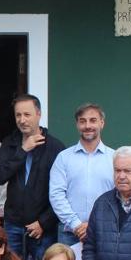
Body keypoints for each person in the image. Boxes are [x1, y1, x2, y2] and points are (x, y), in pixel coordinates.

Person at [0, 94, 65, 260]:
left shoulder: (55, 147)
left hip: (43, 228)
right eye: (18, 115)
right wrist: (23, 150)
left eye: (27, 114)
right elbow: (0, 176)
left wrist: (43, 222)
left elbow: (62, 191)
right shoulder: (10, 143)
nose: (22, 120)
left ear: (38, 114)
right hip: (13, 224)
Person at [48, 102, 114, 245]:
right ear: (77, 125)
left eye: (93, 120)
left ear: (102, 123)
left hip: (105, 231)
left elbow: (119, 196)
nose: (87, 126)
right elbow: (56, 194)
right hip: (70, 233)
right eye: (82, 121)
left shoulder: (115, 158)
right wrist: (76, 224)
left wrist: (95, 225)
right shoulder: (63, 158)